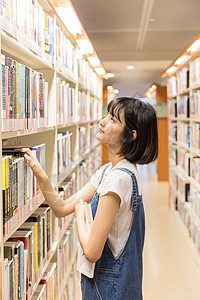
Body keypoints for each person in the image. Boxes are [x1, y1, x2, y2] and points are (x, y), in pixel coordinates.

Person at [23, 97, 158, 300]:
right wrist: (39, 173)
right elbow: (61, 208)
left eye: (113, 119)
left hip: (110, 291)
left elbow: (92, 252)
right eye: (107, 114)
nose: (102, 121)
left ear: (130, 135)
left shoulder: (117, 180)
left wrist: (80, 216)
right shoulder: (108, 172)